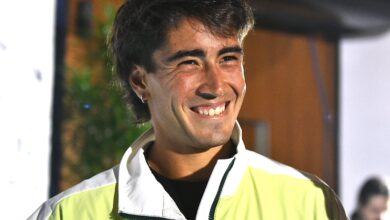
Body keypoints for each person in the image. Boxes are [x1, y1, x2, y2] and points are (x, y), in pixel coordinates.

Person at [29, 0, 348, 219]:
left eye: (228, 59)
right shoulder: (71, 212)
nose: (216, 85)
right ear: (141, 81)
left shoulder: (309, 202)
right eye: (189, 62)